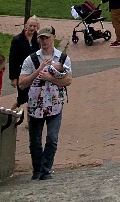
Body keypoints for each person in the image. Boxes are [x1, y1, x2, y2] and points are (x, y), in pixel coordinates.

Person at [19, 26, 73, 181]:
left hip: (55, 104)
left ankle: (45, 170)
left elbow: (68, 80)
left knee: (52, 138)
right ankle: (37, 170)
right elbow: (22, 84)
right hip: (35, 105)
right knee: (35, 140)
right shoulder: (31, 59)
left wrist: (50, 78)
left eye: (47, 38)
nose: (44, 41)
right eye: (41, 38)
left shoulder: (63, 58)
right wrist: (38, 71)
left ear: (53, 37)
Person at [9, 16, 40, 109]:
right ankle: (10, 111)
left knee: (35, 96)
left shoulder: (38, 39)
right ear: (26, 25)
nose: (32, 28)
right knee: (22, 98)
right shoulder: (17, 40)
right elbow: (13, 59)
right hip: (22, 71)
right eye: (30, 26)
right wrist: (13, 77)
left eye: (34, 26)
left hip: (35, 71)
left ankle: (33, 115)